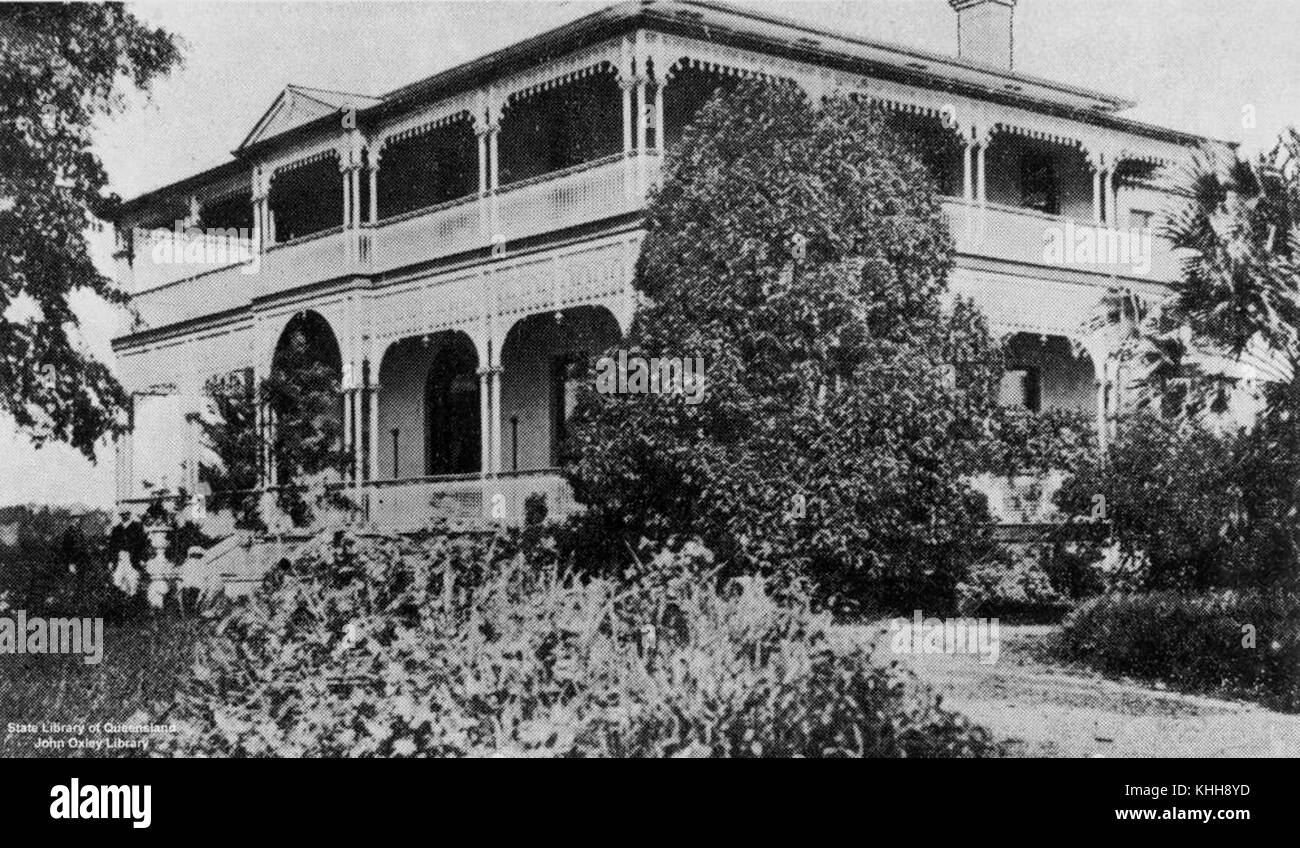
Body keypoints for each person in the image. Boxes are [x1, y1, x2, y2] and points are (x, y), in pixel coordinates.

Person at [107, 509, 148, 597]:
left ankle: (133, 601)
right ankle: (121, 602)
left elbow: (142, 544)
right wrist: (110, 560)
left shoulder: (137, 527)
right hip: (119, 558)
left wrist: (142, 559)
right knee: (117, 582)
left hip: (133, 557)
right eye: (122, 514)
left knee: (133, 581)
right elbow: (112, 546)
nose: (124, 516)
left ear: (129, 514)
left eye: (126, 514)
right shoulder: (117, 529)